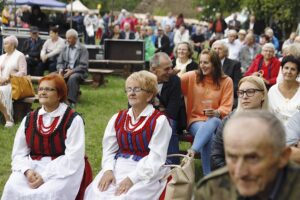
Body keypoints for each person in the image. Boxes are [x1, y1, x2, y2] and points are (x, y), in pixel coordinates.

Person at [84, 70, 172, 199]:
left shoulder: (159, 121)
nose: (131, 93)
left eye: (137, 89)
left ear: (149, 95)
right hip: (118, 166)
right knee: (96, 192)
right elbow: (109, 149)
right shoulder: (118, 118)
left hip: (146, 170)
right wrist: (108, 170)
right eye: (129, 89)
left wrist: (132, 178)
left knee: (125, 196)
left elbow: (156, 157)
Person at [1, 74, 89, 199]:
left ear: (59, 94)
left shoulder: (73, 119)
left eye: (48, 89)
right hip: (33, 166)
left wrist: (45, 176)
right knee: (12, 186)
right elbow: (18, 152)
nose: (43, 92)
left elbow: (73, 158)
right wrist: (27, 171)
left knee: (50, 193)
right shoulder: (30, 118)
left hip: (63, 168)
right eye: (41, 89)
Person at [195, 110, 300, 200]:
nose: (240, 172)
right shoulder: (213, 191)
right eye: (233, 157)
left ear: (283, 157)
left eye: (252, 158)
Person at [181, 49, 233, 175]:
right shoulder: (193, 76)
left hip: (217, 121)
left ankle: (193, 150)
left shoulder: (226, 81)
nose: (202, 66)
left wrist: (216, 112)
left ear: (215, 64)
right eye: (201, 62)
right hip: (195, 120)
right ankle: (208, 176)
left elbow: (227, 106)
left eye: (206, 63)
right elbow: (174, 81)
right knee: (210, 138)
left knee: (214, 121)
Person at [211, 76, 268, 170]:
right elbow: (216, 156)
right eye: (241, 92)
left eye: (250, 92)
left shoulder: (272, 124)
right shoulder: (228, 121)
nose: (244, 96)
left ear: (262, 95)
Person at [150, 52, 184, 164]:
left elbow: (173, 110)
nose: (170, 71)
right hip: (149, 116)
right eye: (166, 69)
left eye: (171, 68)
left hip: (169, 117)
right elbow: (134, 107)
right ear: (154, 69)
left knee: (168, 126)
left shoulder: (174, 80)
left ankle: (173, 166)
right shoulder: (141, 80)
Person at [56, 29, 89, 107]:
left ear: (75, 38)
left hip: (79, 72)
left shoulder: (82, 49)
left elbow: (83, 65)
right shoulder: (65, 48)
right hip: (65, 70)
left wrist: (72, 71)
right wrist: (60, 70)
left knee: (72, 78)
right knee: (54, 76)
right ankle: (57, 98)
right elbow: (59, 62)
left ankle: (71, 101)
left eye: (69, 38)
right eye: (66, 38)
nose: (67, 40)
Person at [0, 35, 27, 128]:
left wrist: (8, 78)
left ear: (12, 45)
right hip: (1, 83)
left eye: (6, 43)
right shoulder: (2, 57)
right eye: (4, 44)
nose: (3, 45)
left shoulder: (19, 55)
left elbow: (23, 72)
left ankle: (9, 119)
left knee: (1, 92)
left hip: (13, 84)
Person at [268, 55, 300, 125]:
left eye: (293, 69)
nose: (289, 71)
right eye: (286, 68)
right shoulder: (273, 91)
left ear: (298, 73)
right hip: (277, 132)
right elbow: (269, 115)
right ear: (282, 70)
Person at [212, 40, 242, 108]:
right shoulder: (207, 64)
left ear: (225, 51)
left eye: (220, 49)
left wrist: (223, 94)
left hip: (228, 96)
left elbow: (237, 84)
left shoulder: (234, 64)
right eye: (215, 49)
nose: (217, 51)